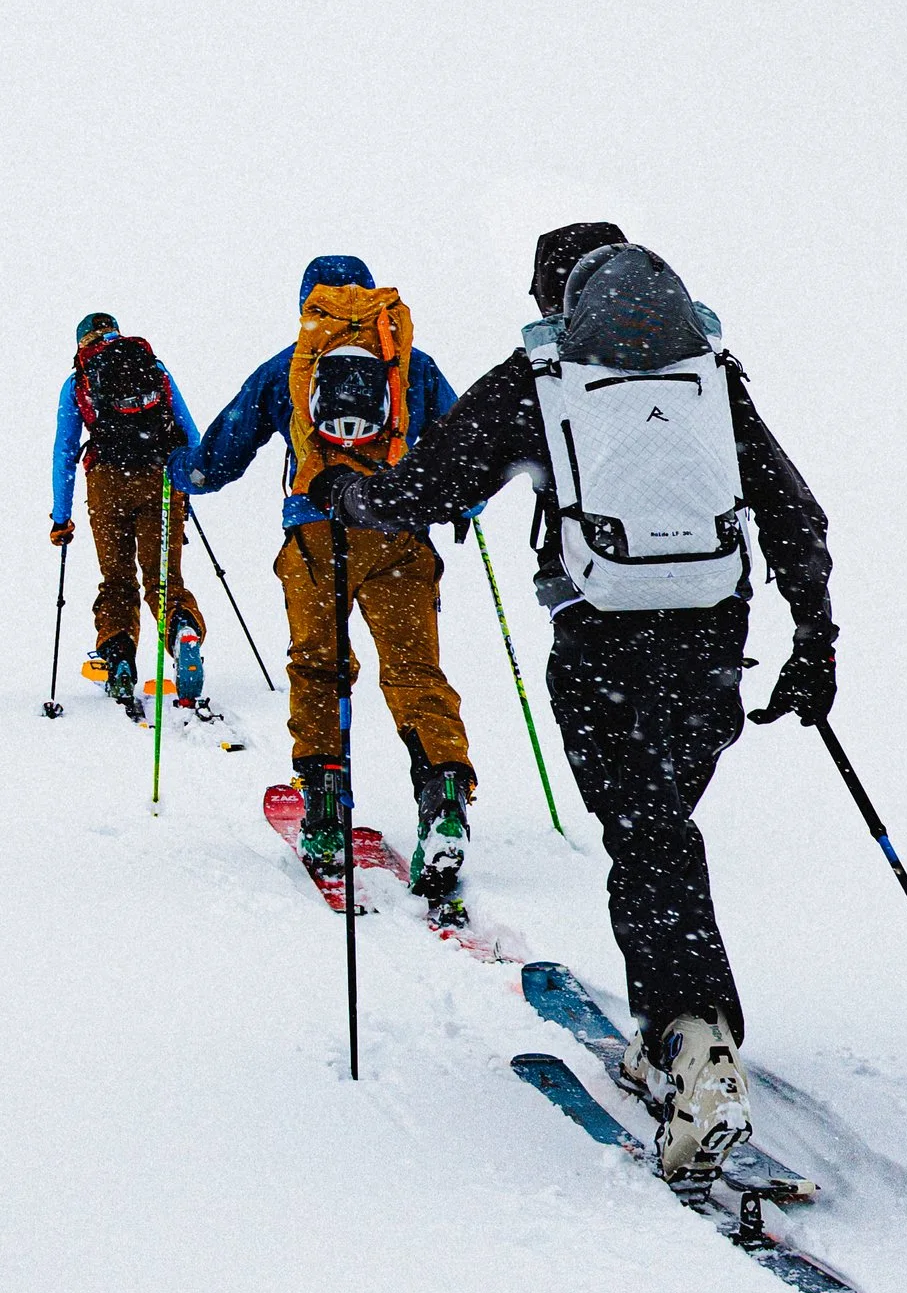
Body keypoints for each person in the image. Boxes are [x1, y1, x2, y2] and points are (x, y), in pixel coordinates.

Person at [307, 230, 838, 1185]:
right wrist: (816, 640)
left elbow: (433, 483)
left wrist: (352, 495)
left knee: (646, 835)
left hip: (604, 645)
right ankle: (684, 1030)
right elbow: (793, 509)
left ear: (557, 296)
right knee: (661, 827)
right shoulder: (708, 373)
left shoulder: (540, 374)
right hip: (715, 640)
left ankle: (692, 1044)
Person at [182, 257, 476, 900]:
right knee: (415, 671)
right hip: (400, 532)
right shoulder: (409, 362)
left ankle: (322, 805)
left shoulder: (294, 363)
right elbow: (462, 444)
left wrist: (188, 471)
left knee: (318, 665)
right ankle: (445, 797)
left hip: (317, 534)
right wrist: (464, 504)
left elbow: (224, 451)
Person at [51, 313, 208, 706]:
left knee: (117, 579)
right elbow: (190, 432)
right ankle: (182, 631)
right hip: (160, 479)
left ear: (82, 342)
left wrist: (61, 517)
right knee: (164, 579)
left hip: (106, 483)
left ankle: (119, 657)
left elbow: (65, 452)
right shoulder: (153, 368)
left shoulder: (79, 382)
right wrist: (187, 482)